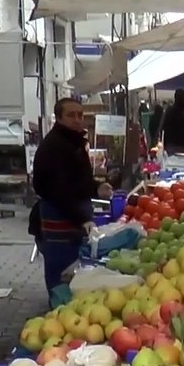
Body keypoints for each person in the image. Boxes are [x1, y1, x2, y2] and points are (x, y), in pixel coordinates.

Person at [29, 98, 111, 296]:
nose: (77, 120)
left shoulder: (73, 141)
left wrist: (96, 188)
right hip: (59, 217)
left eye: (80, 115)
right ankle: (57, 310)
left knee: (72, 271)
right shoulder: (54, 146)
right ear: (58, 118)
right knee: (61, 273)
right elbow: (58, 191)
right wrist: (82, 218)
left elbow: (79, 180)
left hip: (73, 215)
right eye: (71, 115)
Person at [160, 89, 184, 156]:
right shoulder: (174, 111)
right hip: (175, 145)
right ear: (180, 99)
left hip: (179, 145)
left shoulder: (182, 110)